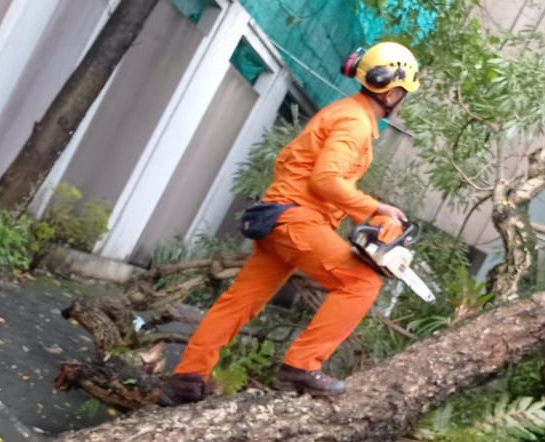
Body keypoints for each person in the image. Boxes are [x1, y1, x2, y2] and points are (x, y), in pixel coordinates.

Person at [158, 42, 420, 405]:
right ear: (392, 91)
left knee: (238, 303)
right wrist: (377, 209)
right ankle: (301, 365)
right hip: (296, 217)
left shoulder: (347, 113)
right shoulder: (355, 123)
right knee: (360, 283)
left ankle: (186, 378)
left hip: (284, 215)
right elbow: (325, 181)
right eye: (403, 93)